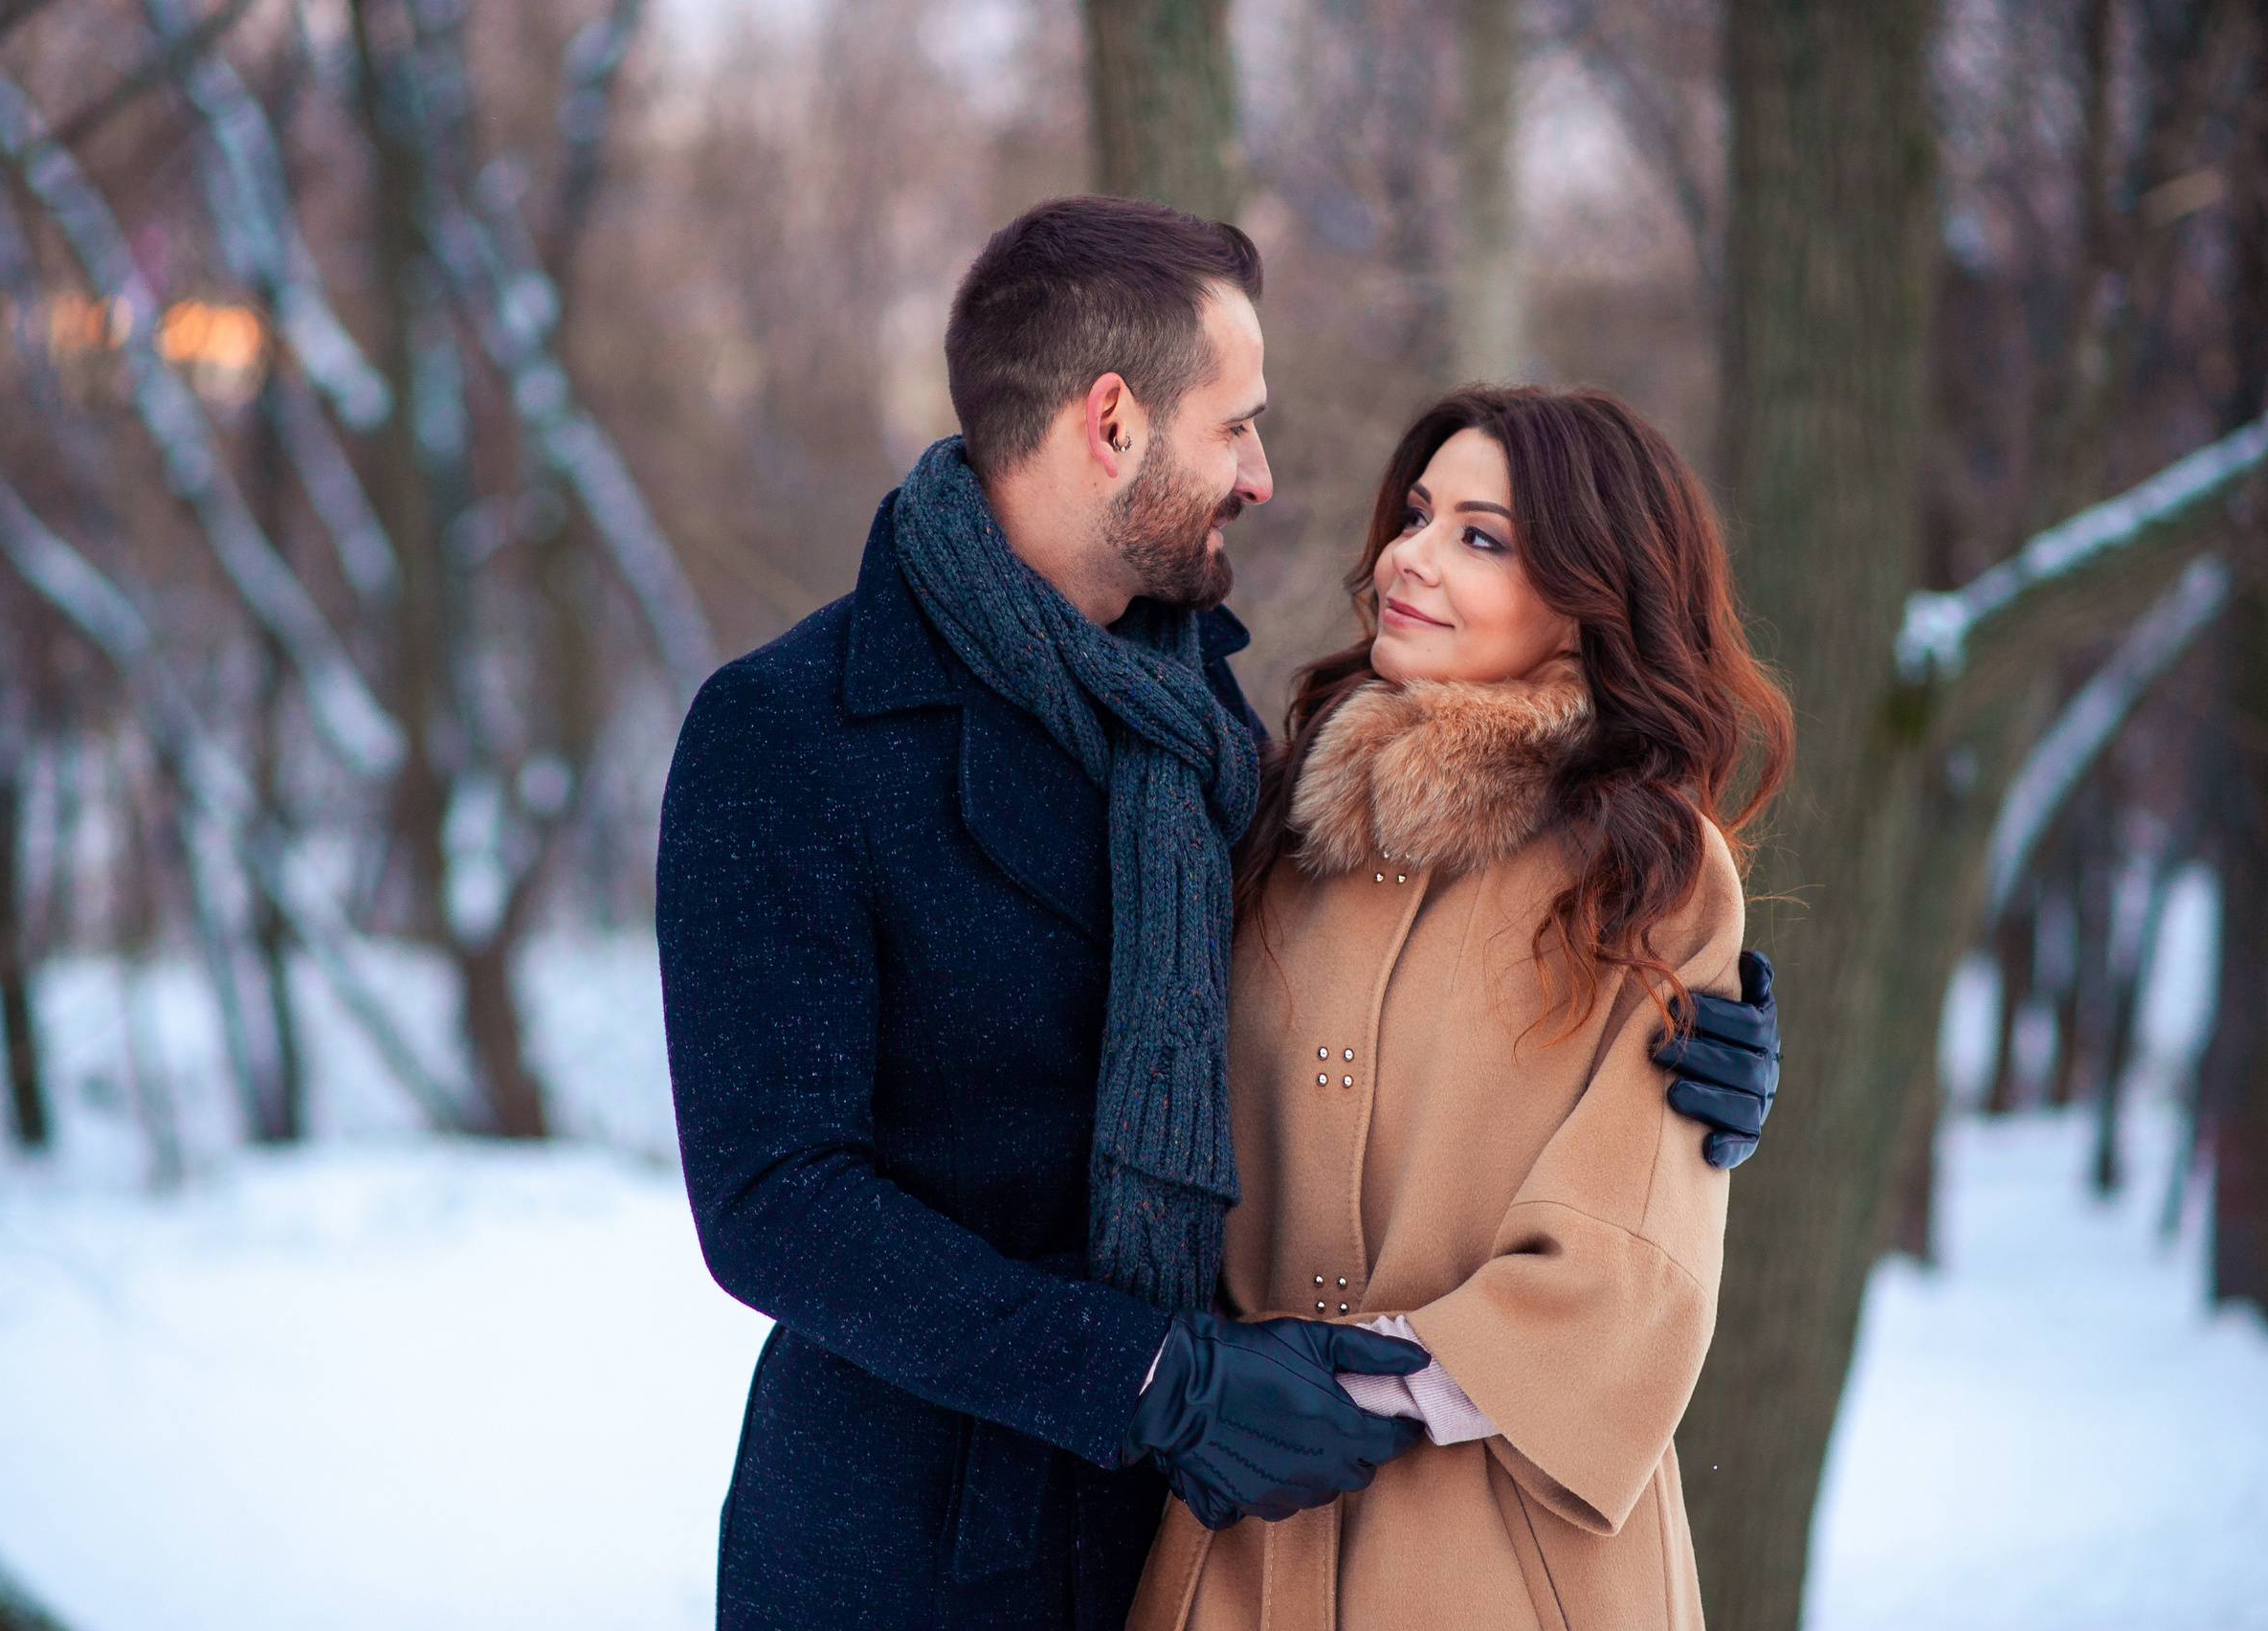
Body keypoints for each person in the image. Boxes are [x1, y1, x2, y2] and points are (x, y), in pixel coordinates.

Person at [656, 199, 1780, 1631]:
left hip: (1205, 1533)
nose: (1262, 477)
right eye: (1235, 426)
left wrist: (1710, 1041)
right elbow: (777, 1206)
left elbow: (1407, 996)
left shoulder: (1210, 740)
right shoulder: (789, 732)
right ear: (1112, 423)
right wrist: (1151, 1379)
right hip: (924, 1541)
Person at [1124, 385, 1793, 1631]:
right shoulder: (1271, 836)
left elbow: (1625, 1272)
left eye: (1479, 537)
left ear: (1590, 601)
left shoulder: (1646, 874)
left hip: (1502, 1558)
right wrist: (1212, 1392)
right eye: (1417, 515)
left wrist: (1349, 1390)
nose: (1406, 558)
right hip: (1236, 1542)